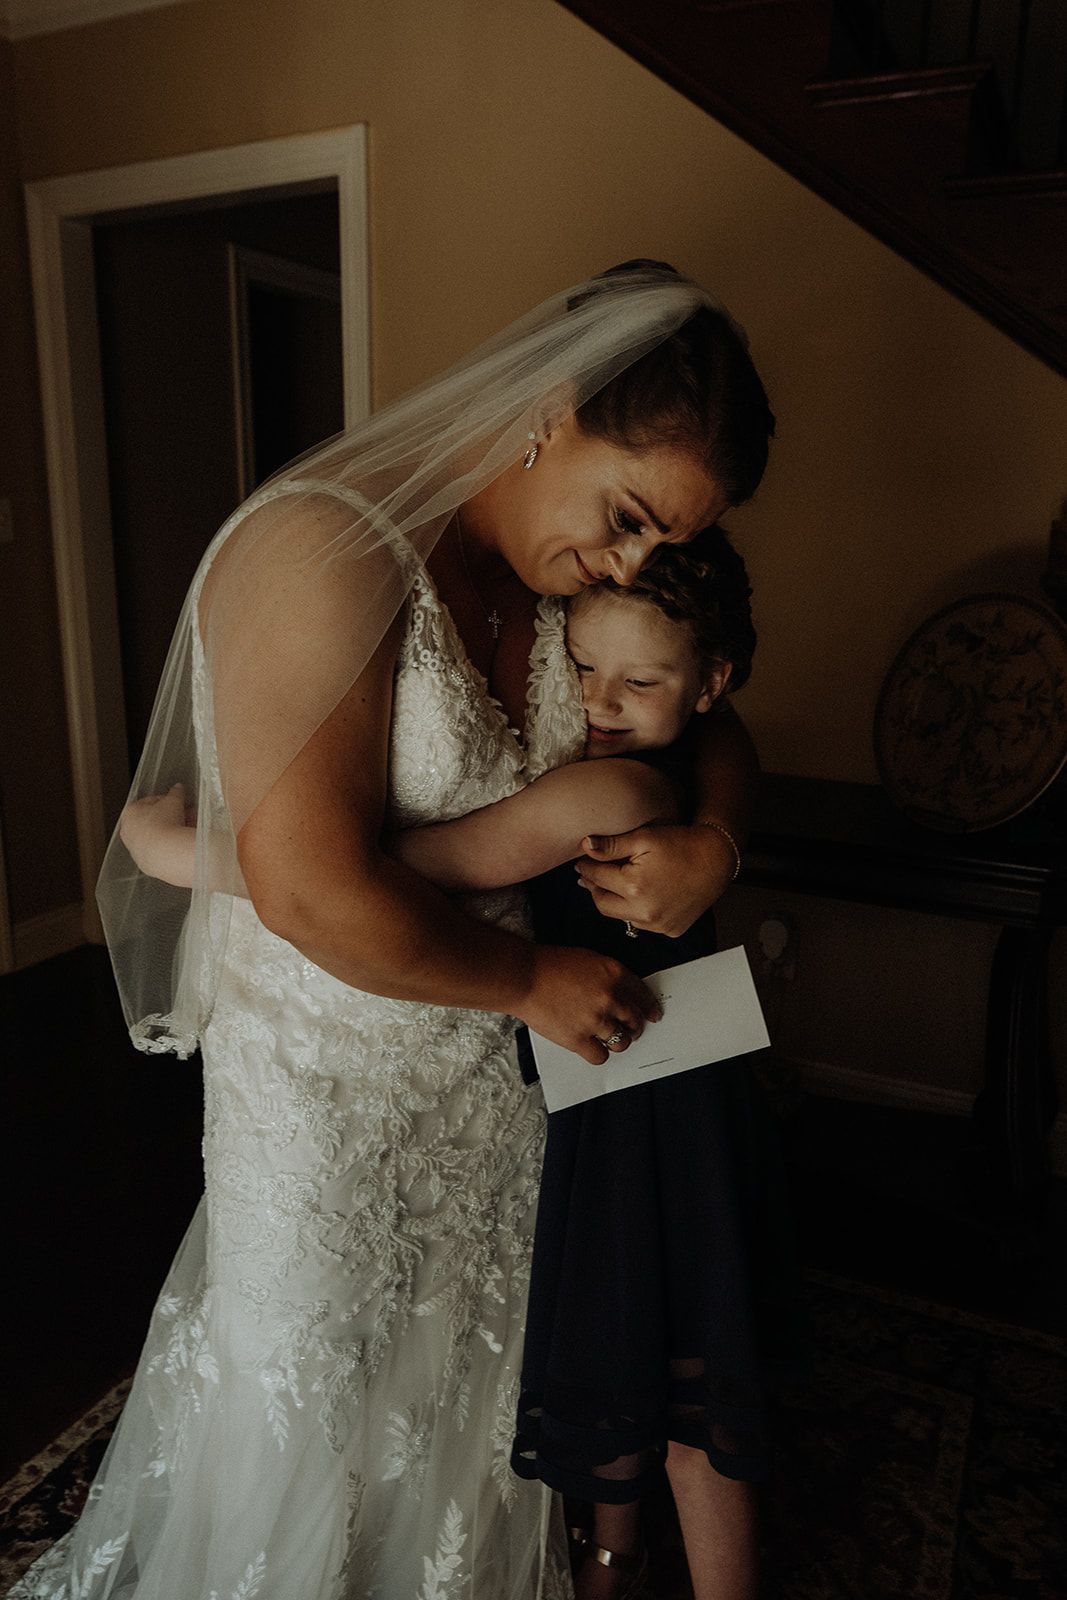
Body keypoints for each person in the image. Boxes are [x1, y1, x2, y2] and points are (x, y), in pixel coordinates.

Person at [9, 264, 774, 1600]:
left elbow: (708, 713)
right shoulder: (320, 552)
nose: (628, 565)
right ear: (551, 408)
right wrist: (527, 978)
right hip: (334, 1098)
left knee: (469, 1400)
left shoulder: (551, 587)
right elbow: (309, 891)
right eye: (627, 519)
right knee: (314, 1417)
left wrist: (716, 838)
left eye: (656, 551)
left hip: (503, 1098)